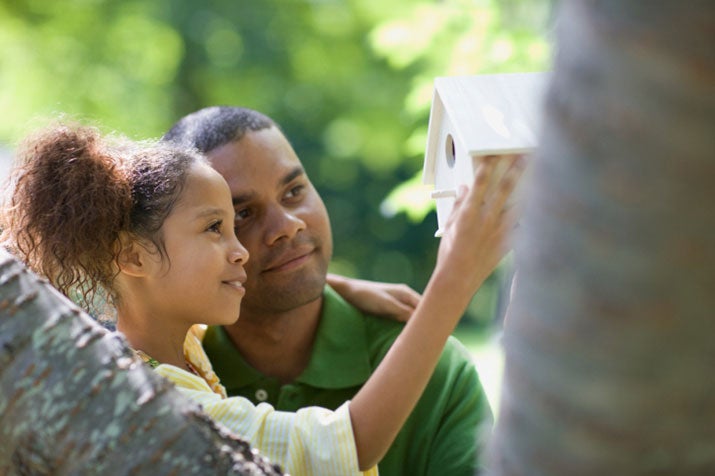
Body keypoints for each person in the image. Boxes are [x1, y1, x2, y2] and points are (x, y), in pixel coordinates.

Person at [2, 122, 521, 475]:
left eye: (295, 193)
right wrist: (456, 277)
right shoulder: (157, 400)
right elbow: (345, 445)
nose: (242, 250)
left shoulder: (171, 347)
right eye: (219, 227)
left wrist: (329, 283)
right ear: (132, 257)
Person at [163, 106, 507, 475]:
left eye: (294, 191)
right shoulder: (176, 376)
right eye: (242, 214)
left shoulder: (436, 368)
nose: (287, 225)